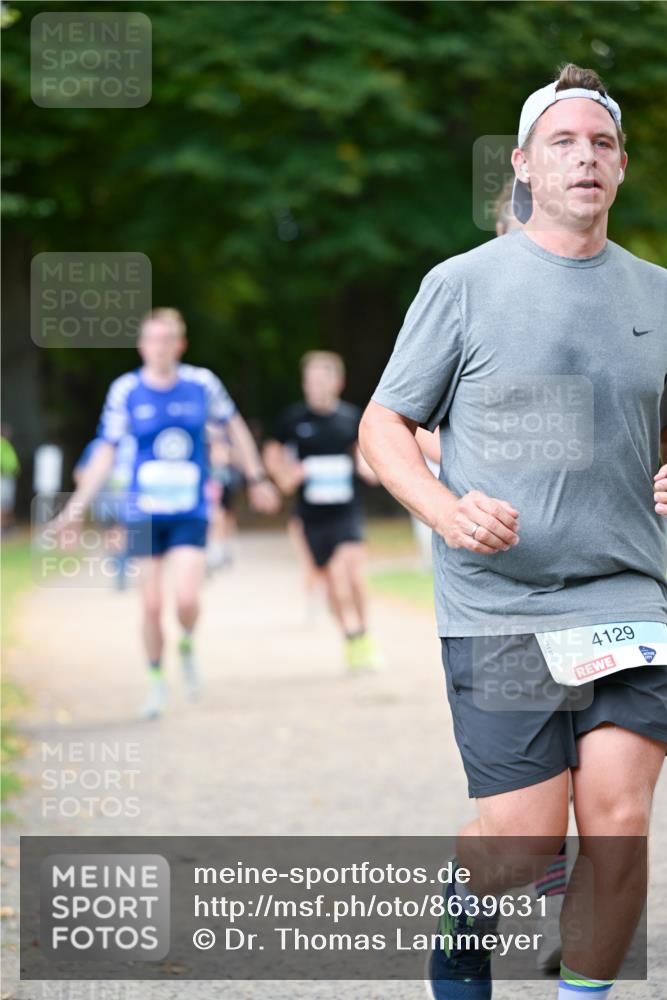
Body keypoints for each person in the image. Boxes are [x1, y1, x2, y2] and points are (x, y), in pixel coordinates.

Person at [360, 63, 666, 1000]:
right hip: (498, 605)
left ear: (620, 168)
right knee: (524, 843)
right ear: (526, 167)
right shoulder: (461, 286)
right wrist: (446, 508)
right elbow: (383, 427)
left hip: (626, 592)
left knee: (616, 825)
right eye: (563, 143)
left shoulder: (658, 294)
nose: (585, 158)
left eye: (602, 144)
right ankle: (461, 925)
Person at [54, 307, 278, 718]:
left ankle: (188, 644)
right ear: (142, 346)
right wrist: (75, 507)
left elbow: (235, 427)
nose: (160, 347)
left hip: (190, 510)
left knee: (187, 598)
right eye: (153, 340)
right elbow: (105, 450)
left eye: (168, 339)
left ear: (181, 344)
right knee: (152, 606)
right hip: (143, 513)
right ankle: (156, 680)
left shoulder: (201, 384)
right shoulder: (126, 390)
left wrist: (258, 477)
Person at [264, 350, 382, 670]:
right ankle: (349, 637)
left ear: (337, 383)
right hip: (312, 515)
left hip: (346, 511)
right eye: (310, 381)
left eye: (321, 380)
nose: (315, 386)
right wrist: (286, 476)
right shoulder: (293, 420)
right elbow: (273, 453)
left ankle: (365, 633)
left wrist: (369, 468)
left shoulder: (350, 418)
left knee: (352, 573)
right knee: (331, 583)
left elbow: (363, 453)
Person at [73, 434, 136, 590]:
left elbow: (80, 473)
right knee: (120, 535)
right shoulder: (133, 442)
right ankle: (121, 565)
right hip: (122, 501)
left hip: (106, 502)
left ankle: (119, 566)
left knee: (113, 536)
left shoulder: (96, 446)